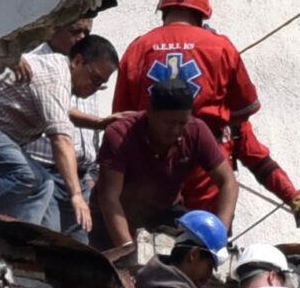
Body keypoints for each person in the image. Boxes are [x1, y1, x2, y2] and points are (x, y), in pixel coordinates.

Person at [111, 0, 300, 231]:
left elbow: (121, 118)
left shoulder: (138, 48)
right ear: (202, 16)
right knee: (203, 250)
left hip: (148, 176)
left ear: (164, 13)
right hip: (207, 177)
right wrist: (295, 199)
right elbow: (257, 153)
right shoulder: (221, 49)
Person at [0, 33, 117, 232]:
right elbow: (60, 139)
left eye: (100, 85)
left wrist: (100, 123)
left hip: (4, 137)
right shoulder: (56, 77)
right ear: (77, 61)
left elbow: (64, 110)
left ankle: (24, 241)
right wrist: (76, 194)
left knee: (44, 187)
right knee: (27, 176)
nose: (93, 88)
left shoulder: (61, 79)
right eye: (94, 79)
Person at [92, 83, 241, 246]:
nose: (176, 130)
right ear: (150, 113)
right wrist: (127, 249)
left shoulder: (196, 131)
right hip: (113, 219)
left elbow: (228, 182)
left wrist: (218, 235)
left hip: (164, 215)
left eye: (182, 122)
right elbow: (109, 197)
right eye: (169, 123)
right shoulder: (119, 135)